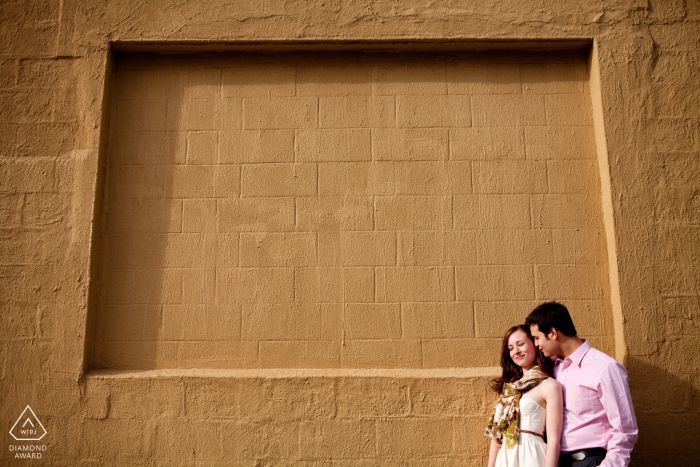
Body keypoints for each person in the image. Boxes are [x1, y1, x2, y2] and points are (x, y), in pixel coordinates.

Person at [525, 302, 638, 467]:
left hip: (590, 461)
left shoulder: (604, 368)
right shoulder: (551, 368)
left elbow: (625, 429)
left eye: (537, 338)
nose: (536, 344)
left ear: (553, 333)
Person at [486, 325, 563, 467]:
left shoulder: (549, 385)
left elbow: (554, 440)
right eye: (511, 348)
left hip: (531, 455)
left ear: (534, 344)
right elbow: (496, 438)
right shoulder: (509, 390)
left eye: (520, 344)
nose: (516, 351)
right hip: (505, 457)